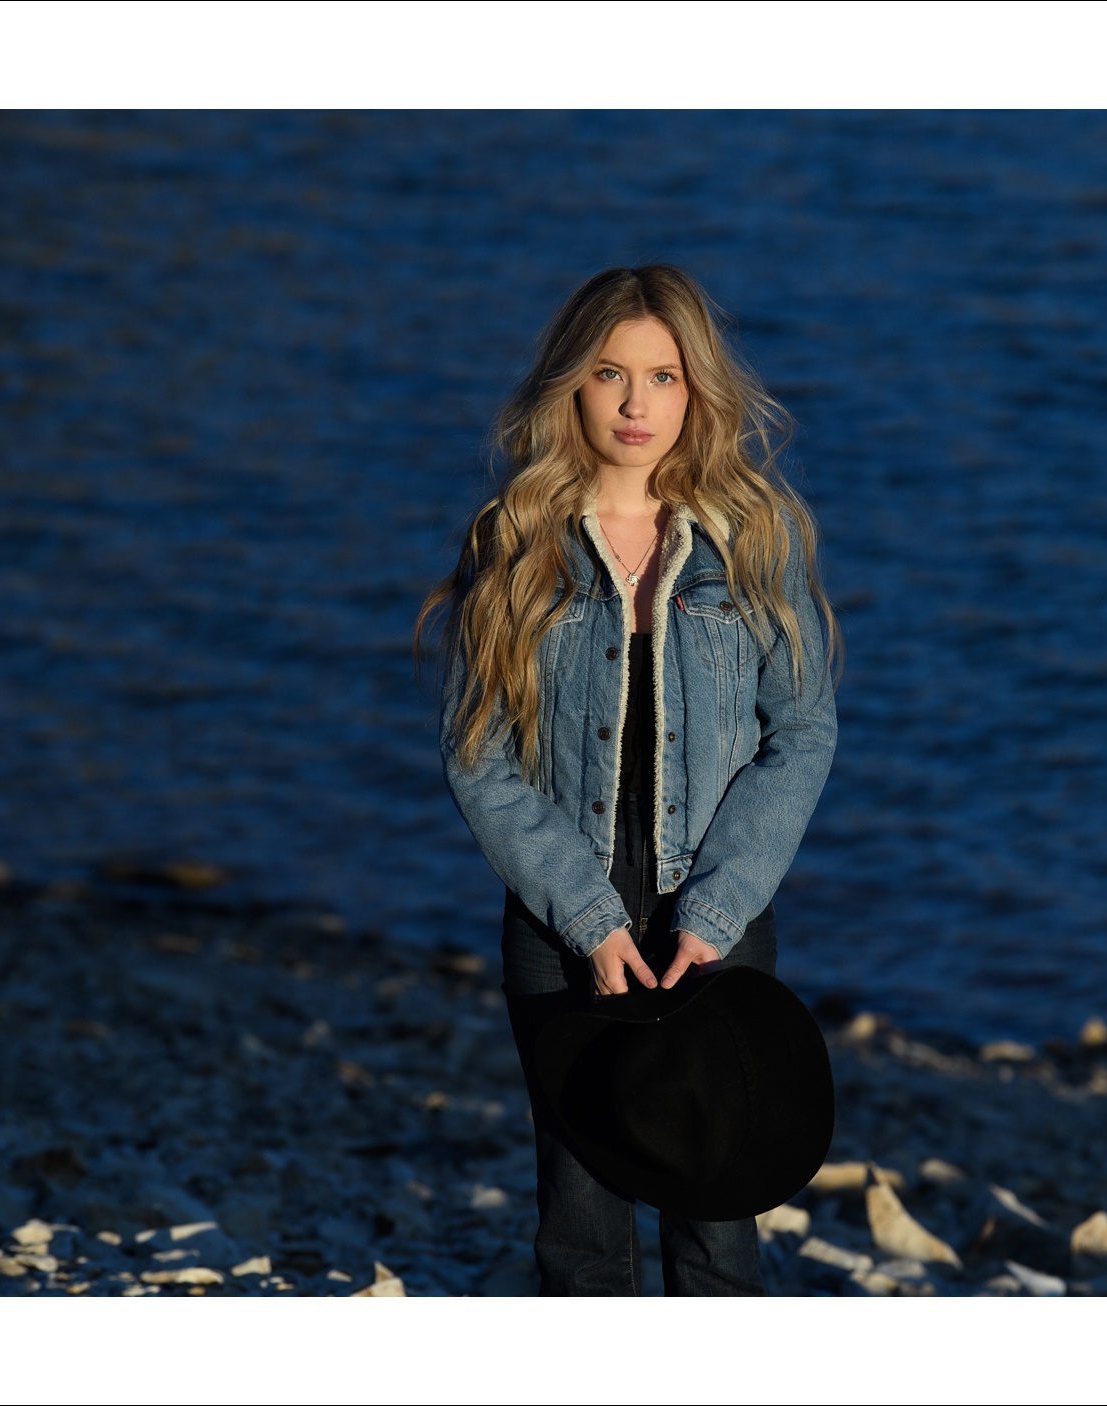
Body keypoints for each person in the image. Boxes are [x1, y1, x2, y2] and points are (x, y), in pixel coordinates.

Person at [415, 264, 841, 1296]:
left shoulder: (756, 536)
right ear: (572, 382)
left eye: (662, 376)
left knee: (716, 1216)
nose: (635, 403)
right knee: (580, 1216)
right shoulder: (514, 541)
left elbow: (800, 732)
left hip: (716, 920)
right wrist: (587, 919)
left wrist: (719, 908)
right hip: (560, 924)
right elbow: (478, 755)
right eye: (610, 373)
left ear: (697, 390)